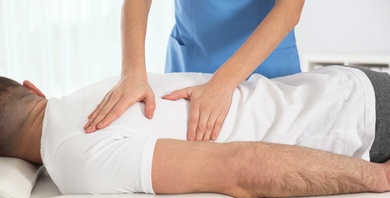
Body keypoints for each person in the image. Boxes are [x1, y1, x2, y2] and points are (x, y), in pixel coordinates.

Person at [1, 66, 390, 198]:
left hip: (355, 127)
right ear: (33, 88)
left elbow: (241, 166)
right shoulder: (92, 92)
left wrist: (378, 178)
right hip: (343, 89)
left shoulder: (74, 158)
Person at [84, 0, 305, 142]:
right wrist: (132, 73)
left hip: (268, 61)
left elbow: (290, 8)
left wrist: (222, 84)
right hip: (193, 60)